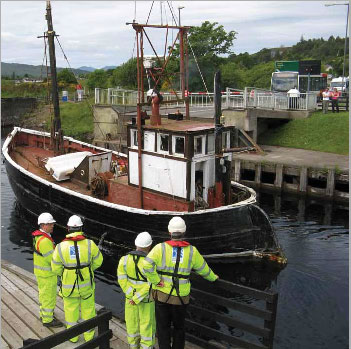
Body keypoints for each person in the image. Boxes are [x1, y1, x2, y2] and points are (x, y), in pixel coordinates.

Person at [142, 216, 218, 349]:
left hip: (162, 296)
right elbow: (204, 270)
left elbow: (146, 266)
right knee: (179, 328)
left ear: (169, 232)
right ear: (184, 233)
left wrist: (156, 280)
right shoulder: (192, 251)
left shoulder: (160, 248)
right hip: (181, 299)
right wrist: (214, 278)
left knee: (163, 328)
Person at [51, 215, 103, 343]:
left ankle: (73, 337)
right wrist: (88, 269)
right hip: (86, 284)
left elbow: (55, 268)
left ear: (68, 228)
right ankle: (89, 336)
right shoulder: (90, 244)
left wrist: (66, 274)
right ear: (81, 228)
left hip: (69, 285)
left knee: (70, 310)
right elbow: (98, 261)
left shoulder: (60, 247)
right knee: (88, 310)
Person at [117, 232, 156, 349]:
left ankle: (133, 346)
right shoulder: (152, 262)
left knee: (132, 325)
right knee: (147, 327)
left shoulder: (124, 260)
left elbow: (122, 280)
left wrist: (132, 295)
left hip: (130, 300)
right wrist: (138, 297)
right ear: (149, 246)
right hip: (147, 300)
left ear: (135, 244)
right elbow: (152, 283)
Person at [32, 212, 63, 328]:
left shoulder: (39, 237)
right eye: (50, 224)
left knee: (44, 295)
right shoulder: (45, 241)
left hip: (42, 273)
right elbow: (53, 260)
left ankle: (44, 314)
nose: (52, 226)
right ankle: (48, 320)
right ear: (43, 225)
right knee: (49, 297)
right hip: (47, 275)